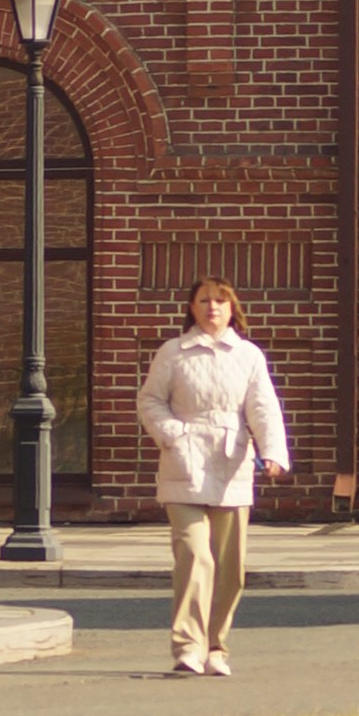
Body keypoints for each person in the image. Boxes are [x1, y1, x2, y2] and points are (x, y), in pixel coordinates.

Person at [136, 278, 290, 677]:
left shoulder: (248, 355)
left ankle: (217, 647)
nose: (212, 308)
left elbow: (263, 407)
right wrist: (173, 433)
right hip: (184, 464)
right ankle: (188, 647)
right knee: (194, 554)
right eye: (204, 301)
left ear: (231, 307)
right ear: (191, 307)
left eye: (220, 301)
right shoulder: (173, 353)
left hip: (231, 464)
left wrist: (273, 452)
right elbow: (150, 400)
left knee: (229, 566)